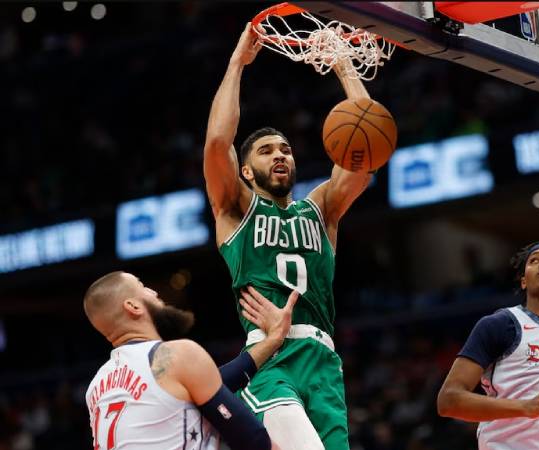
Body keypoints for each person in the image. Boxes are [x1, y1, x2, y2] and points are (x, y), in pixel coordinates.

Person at [203, 23, 377, 450]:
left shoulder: (322, 208)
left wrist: (344, 67)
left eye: (285, 149)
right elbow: (216, 143)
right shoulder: (236, 208)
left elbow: (367, 142)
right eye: (266, 151)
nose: (280, 154)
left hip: (323, 361)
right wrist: (237, 64)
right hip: (270, 359)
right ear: (246, 171)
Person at [83, 270, 299, 450]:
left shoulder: (96, 387)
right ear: (133, 306)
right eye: (142, 287)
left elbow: (204, 385)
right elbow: (254, 440)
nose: (153, 291)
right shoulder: (177, 355)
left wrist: (272, 341)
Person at [437, 242, 539, 450]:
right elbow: (448, 401)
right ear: (523, 281)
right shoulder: (499, 325)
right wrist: (525, 406)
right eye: (535, 260)